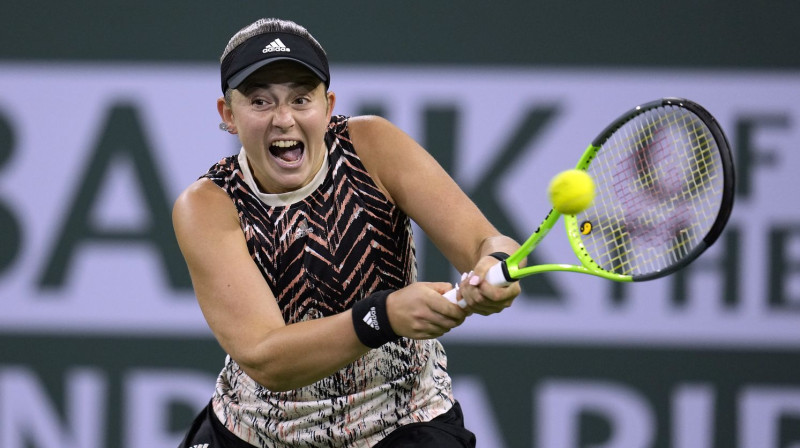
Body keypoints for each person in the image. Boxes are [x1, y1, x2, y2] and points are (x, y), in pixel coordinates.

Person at [174, 17, 521, 448]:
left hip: (404, 419)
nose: (284, 119)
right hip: (257, 434)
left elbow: (486, 243)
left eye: (302, 99)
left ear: (328, 104)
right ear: (228, 114)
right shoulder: (208, 205)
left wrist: (497, 267)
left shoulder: (372, 144)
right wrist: (384, 316)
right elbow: (266, 357)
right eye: (260, 102)